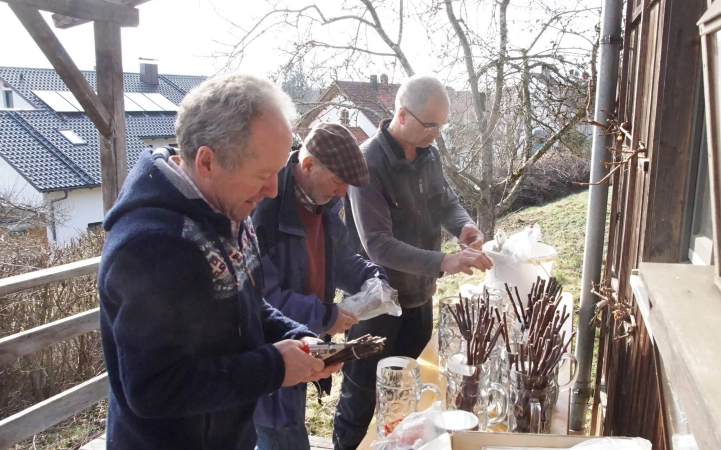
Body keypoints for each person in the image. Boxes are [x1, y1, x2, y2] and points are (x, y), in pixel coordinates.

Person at [97, 74, 340, 450]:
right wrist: (273, 367)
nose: (274, 190)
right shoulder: (149, 246)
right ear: (207, 161)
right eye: (262, 175)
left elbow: (247, 305)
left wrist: (297, 337)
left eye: (277, 173)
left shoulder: (227, 210)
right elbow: (153, 389)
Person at [334, 74, 493, 450]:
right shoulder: (367, 164)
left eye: (442, 125)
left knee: (408, 396)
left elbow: (446, 202)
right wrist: (444, 261)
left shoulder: (428, 155)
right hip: (376, 306)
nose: (436, 133)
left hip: (419, 299)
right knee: (361, 399)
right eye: (430, 125)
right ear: (402, 114)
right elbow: (378, 245)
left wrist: (464, 227)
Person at [250, 122, 389, 450]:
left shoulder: (324, 203)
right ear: (309, 165)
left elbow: (338, 258)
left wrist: (372, 278)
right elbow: (261, 298)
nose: (343, 192)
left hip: (304, 345)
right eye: (338, 181)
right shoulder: (263, 212)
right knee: (280, 434)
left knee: (290, 426)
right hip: (269, 361)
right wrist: (326, 315)